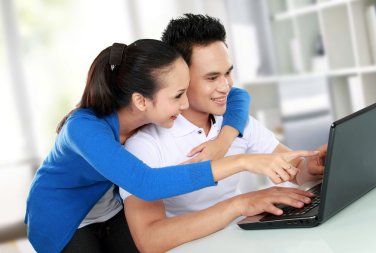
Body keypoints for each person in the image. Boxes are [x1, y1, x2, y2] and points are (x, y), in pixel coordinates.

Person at [24, 39, 313, 253]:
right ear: (141, 101)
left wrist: (223, 141)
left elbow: (236, 96)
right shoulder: (83, 128)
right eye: (178, 96)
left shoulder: (141, 108)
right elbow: (146, 184)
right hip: (65, 218)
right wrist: (242, 162)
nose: (186, 104)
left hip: (110, 208)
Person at [119, 14, 327, 253]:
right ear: (180, 78)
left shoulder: (236, 121)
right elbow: (150, 239)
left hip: (242, 239)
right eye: (212, 77)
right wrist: (238, 205)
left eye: (227, 73)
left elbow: (293, 170)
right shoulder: (145, 144)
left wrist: (311, 167)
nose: (225, 86)